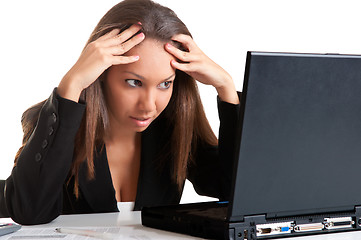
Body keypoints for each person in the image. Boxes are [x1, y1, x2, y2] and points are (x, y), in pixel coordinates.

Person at [0, 0, 240, 225]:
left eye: (165, 84)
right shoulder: (57, 127)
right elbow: (29, 211)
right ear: (101, 74)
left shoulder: (175, 130)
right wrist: (71, 84)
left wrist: (226, 88)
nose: (149, 105)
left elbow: (234, 191)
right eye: (134, 82)